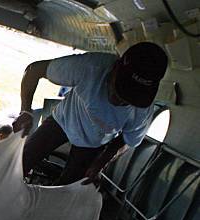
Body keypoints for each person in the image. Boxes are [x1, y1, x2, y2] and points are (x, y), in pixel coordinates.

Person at [12, 42, 168, 186]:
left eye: (127, 100)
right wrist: (26, 111)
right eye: (117, 91)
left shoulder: (143, 111)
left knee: (68, 188)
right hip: (63, 121)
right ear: (114, 68)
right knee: (19, 164)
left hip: (94, 143)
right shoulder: (91, 67)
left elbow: (128, 139)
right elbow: (34, 70)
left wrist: (102, 162)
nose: (117, 101)